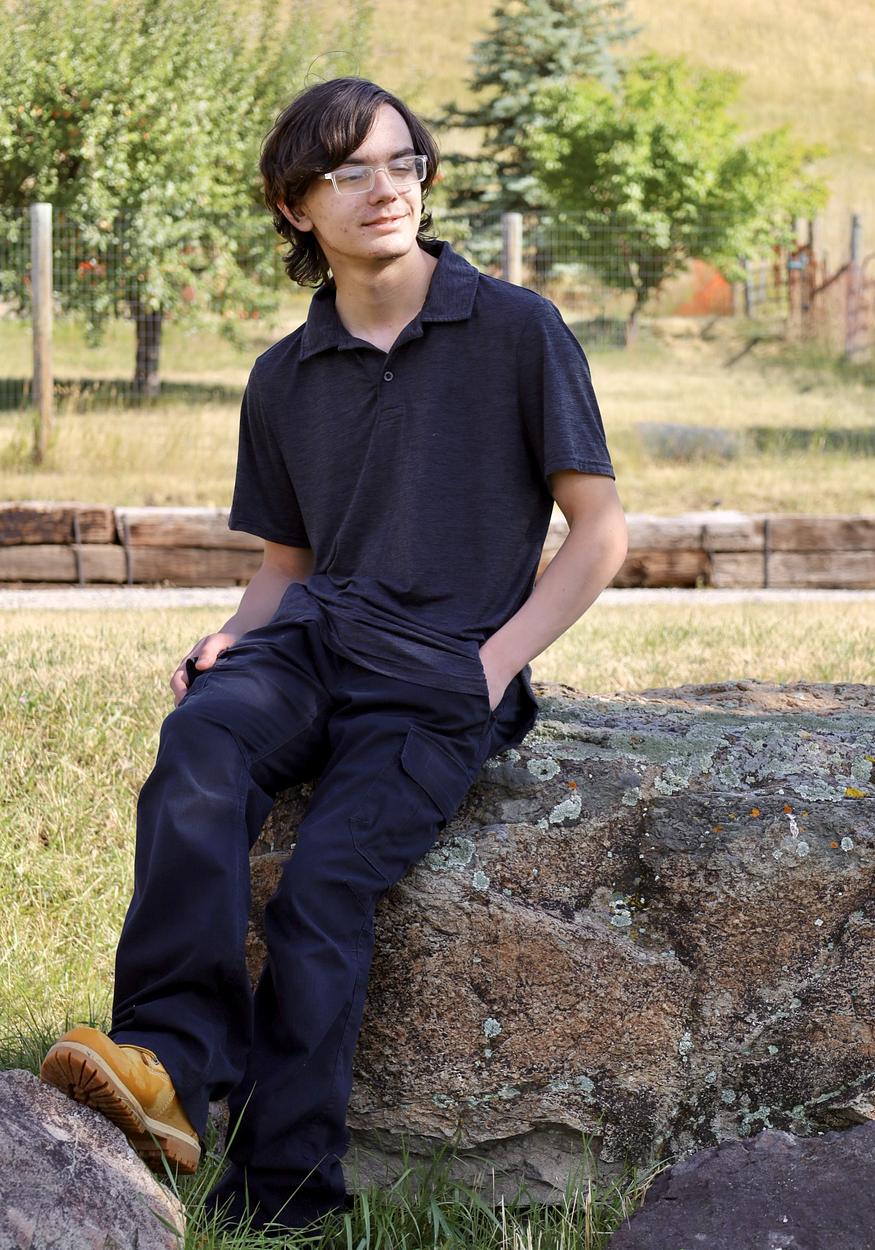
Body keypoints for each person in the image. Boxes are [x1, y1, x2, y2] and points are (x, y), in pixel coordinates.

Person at [39, 76, 628, 1235]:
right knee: (200, 742)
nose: (385, 189)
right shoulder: (284, 373)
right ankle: (169, 1063)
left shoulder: (518, 330)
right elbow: (286, 565)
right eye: (350, 171)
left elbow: (599, 532)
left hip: (441, 670)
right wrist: (235, 633)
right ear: (294, 204)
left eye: (403, 163)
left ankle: (288, 1189)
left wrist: (491, 667)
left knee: (318, 893)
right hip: (313, 640)